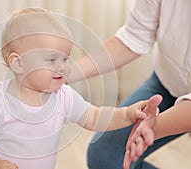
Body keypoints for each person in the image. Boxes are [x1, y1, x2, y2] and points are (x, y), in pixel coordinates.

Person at [0, 8, 159, 169]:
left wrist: (126, 114)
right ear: (18, 64)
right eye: (51, 59)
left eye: (65, 58)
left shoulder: (63, 96)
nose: (63, 66)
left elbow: (94, 116)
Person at [68, 0, 191, 168]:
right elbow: (134, 37)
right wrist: (67, 73)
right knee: (106, 158)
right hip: (167, 83)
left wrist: (155, 126)